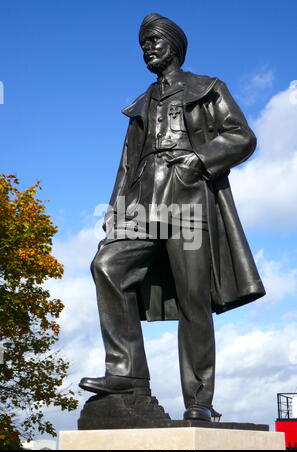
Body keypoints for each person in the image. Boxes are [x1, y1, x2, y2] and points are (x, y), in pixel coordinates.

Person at [79, 13, 265, 421]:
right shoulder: (141, 104)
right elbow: (126, 165)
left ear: (174, 46)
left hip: (187, 201)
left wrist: (198, 159)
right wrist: (115, 212)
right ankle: (127, 373)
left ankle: (199, 400)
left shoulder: (209, 88)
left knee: (192, 298)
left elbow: (242, 136)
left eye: (154, 41)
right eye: (143, 43)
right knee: (106, 265)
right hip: (142, 202)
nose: (147, 48)